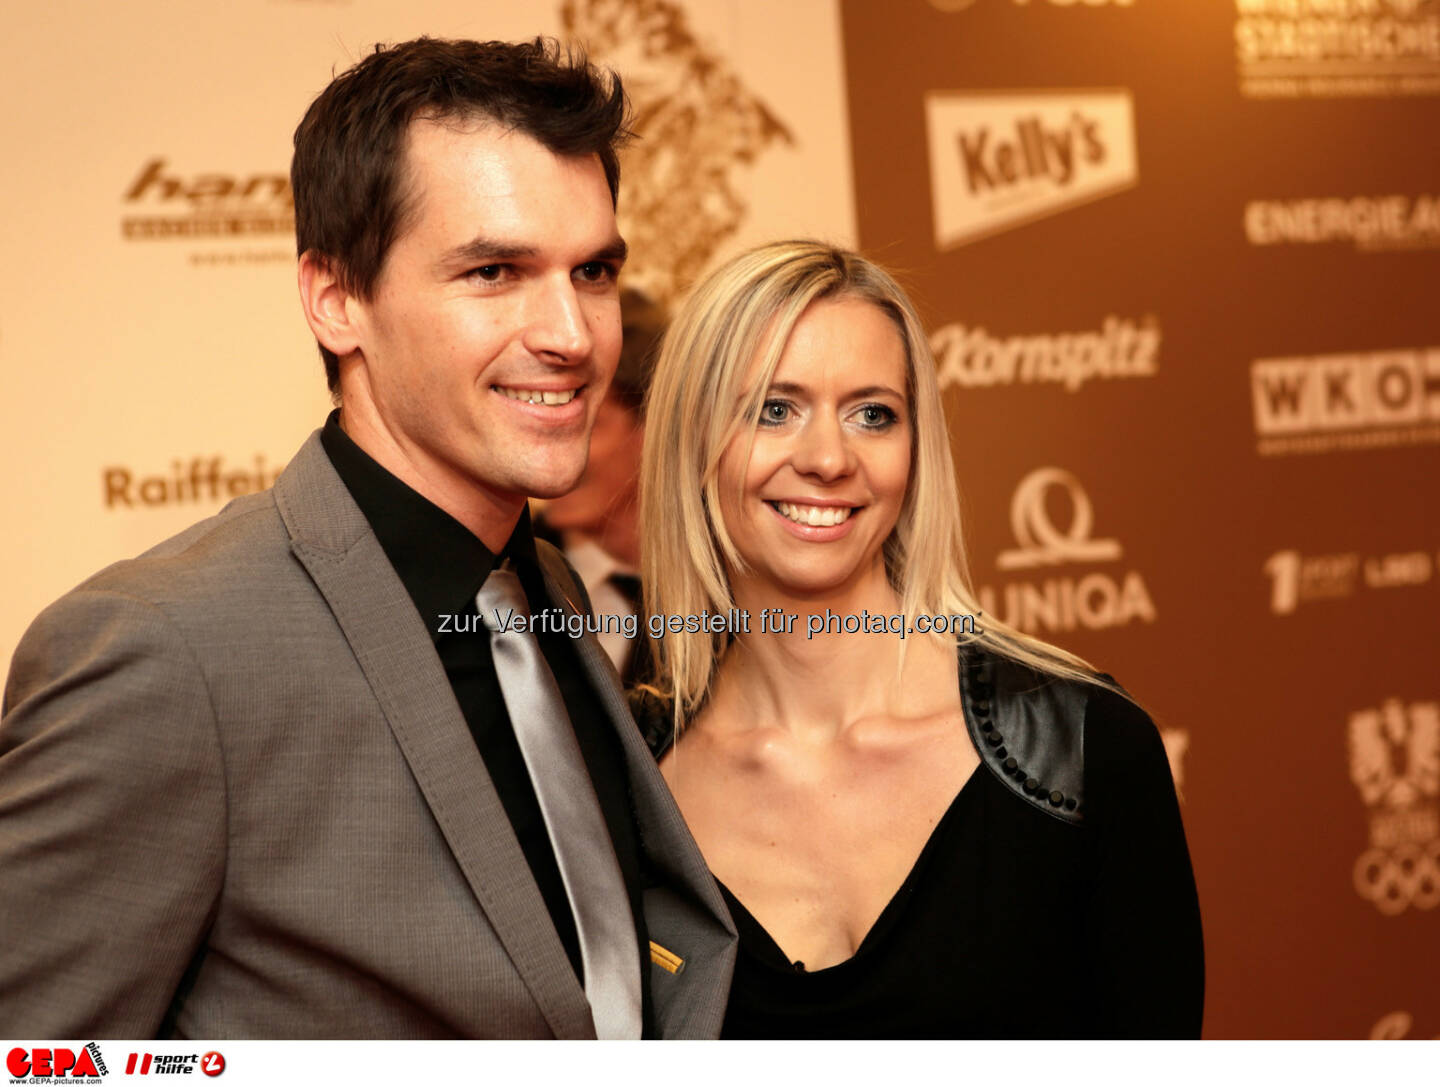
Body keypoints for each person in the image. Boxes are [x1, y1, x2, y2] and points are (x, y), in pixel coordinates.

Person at [0, 37, 733, 1039]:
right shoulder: (166, 655)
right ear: (338, 299)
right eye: (494, 271)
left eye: (594, 270)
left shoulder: (544, 587)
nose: (571, 331)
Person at [631, 240, 1203, 1038]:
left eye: (873, 414)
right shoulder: (620, 784)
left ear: (915, 447)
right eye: (773, 408)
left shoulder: (1084, 751)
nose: (829, 458)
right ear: (691, 442)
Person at [535, 287, 666, 687]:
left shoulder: (734, 579)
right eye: (541, 413)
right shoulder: (505, 579)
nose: (551, 453)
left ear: (654, 429)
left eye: (587, 424)